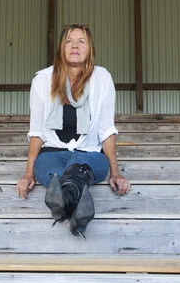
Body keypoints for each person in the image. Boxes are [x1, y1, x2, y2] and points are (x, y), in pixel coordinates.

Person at [16, 24, 131, 237]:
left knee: (72, 171)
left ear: (90, 49)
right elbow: (37, 129)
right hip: (51, 154)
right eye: (69, 41)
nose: (75, 46)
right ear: (61, 47)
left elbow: (106, 128)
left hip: (90, 154)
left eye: (81, 41)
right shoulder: (43, 79)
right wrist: (28, 172)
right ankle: (77, 210)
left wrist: (115, 172)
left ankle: (65, 200)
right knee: (59, 171)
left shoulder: (101, 78)